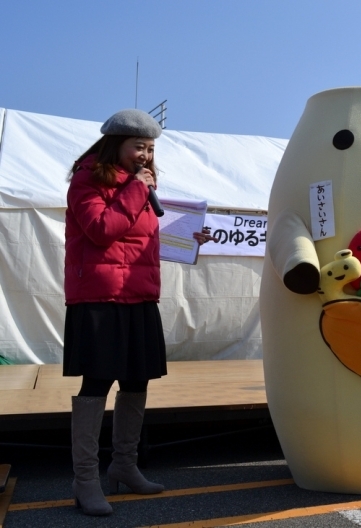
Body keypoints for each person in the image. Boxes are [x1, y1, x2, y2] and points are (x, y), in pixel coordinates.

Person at [64, 109, 213, 516]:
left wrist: (186, 239)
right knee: (96, 384)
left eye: (150, 148)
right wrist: (136, 190)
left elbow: (135, 240)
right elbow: (101, 230)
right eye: (139, 147)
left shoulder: (139, 187)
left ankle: (125, 466)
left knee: (136, 381)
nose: (146, 156)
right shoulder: (86, 179)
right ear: (116, 145)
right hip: (99, 297)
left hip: (138, 294)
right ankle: (85, 480)